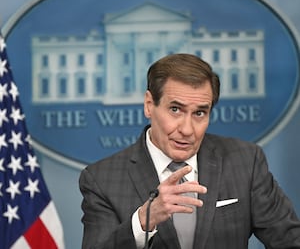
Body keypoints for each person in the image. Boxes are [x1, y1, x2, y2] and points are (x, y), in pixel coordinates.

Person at [79, 53, 300, 249]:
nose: (186, 129)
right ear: (149, 105)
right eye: (175, 109)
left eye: (199, 113)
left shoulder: (245, 161)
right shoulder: (101, 180)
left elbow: (290, 241)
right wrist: (143, 221)